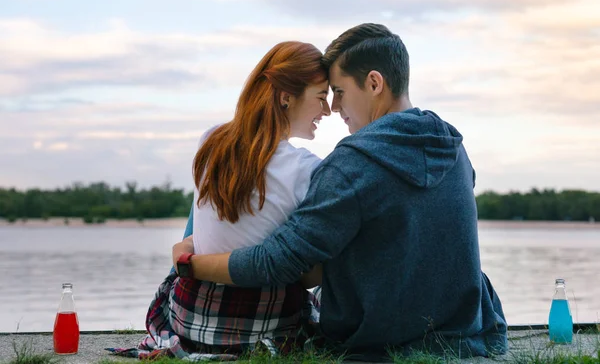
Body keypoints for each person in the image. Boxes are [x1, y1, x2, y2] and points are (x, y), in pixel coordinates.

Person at [172, 23, 509, 360]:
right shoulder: (452, 147)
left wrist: (191, 264)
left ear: (374, 83)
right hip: (466, 329)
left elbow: (278, 261)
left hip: (377, 334)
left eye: (340, 92)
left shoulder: (351, 164)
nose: (333, 107)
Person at [110, 41, 331, 361]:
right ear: (286, 97)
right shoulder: (306, 169)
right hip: (260, 323)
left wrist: (187, 248)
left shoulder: (212, 140)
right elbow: (310, 274)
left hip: (190, 315)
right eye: (322, 97)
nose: (326, 111)